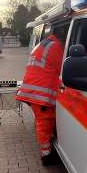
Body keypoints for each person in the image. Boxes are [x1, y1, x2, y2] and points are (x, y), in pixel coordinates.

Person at [16, 27, 65, 164]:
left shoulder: (44, 43)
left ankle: (48, 148)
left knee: (43, 121)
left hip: (33, 90)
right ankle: (46, 155)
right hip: (40, 93)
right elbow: (63, 67)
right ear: (61, 35)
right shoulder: (56, 46)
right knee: (44, 122)